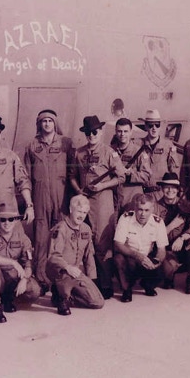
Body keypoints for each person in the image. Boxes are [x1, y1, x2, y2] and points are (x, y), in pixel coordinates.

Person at [70, 115, 124, 297]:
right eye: (88, 132)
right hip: (84, 201)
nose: (91, 135)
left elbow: (121, 176)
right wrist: (79, 191)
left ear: (101, 132)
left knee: (102, 242)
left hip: (102, 201)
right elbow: (72, 176)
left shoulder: (109, 152)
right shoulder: (79, 153)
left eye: (95, 132)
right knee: (85, 241)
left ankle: (106, 284)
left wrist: (102, 186)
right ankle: (90, 282)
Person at [23, 108, 74, 292]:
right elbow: (26, 176)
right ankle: (42, 279)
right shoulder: (31, 145)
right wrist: (29, 203)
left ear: (55, 123)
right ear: (39, 124)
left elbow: (73, 172)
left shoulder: (66, 143)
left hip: (61, 197)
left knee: (60, 237)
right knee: (41, 238)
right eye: (43, 121)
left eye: (50, 121)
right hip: (40, 197)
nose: (47, 124)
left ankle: (60, 277)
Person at [0, 201, 42, 322]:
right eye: (3, 220)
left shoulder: (23, 238)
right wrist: (13, 262)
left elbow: (28, 263)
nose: (7, 223)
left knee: (35, 290)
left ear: (16, 220)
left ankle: (9, 298)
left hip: (12, 278)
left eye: (11, 219)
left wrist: (24, 279)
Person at [46, 195, 105, 315]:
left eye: (84, 212)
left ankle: (65, 295)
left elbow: (89, 256)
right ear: (71, 209)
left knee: (98, 302)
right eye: (79, 211)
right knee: (65, 275)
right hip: (60, 270)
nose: (81, 216)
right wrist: (67, 267)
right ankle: (62, 298)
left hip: (75, 271)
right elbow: (53, 256)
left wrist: (91, 279)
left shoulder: (86, 229)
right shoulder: (60, 229)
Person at [113, 193, 167, 301]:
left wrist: (156, 261)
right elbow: (118, 244)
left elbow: (162, 249)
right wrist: (137, 256)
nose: (143, 214)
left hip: (147, 257)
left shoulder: (158, 222)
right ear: (135, 208)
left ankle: (147, 285)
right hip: (130, 257)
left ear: (152, 209)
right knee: (118, 260)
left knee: (167, 268)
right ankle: (127, 289)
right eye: (140, 209)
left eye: (147, 210)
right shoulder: (125, 218)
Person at [132, 109, 181, 204]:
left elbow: (174, 171)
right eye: (151, 125)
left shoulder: (168, 145)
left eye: (157, 125)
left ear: (160, 126)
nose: (154, 128)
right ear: (146, 126)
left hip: (161, 194)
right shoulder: (137, 145)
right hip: (141, 193)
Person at [156, 172, 190, 289]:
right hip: (164, 248)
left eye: (173, 187)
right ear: (162, 188)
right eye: (167, 187)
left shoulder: (186, 205)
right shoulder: (155, 208)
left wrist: (182, 237)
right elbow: (153, 235)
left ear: (177, 190)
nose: (170, 190)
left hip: (182, 246)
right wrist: (172, 225)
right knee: (168, 268)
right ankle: (168, 275)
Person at [110, 117, 145, 211]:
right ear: (116, 132)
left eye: (125, 131)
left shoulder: (138, 152)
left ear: (131, 132)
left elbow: (146, 175)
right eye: (119, 131)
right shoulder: (109, 150)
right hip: (113, 198)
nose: (122, 134)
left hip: (132, 199)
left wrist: (130, 174)